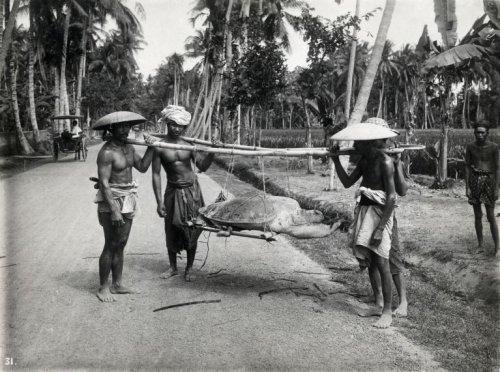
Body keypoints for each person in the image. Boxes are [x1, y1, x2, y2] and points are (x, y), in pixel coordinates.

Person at [331, 122, 398, 328]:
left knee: (383, 262)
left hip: (380, 214)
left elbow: (393, 197)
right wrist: (335, 160)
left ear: (368, 142)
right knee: (370, 259)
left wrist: (379, 228)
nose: (355, 145)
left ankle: (387, 311)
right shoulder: (364, 161)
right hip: (365, 211)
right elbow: (347, 183)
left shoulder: (385, 162)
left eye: (358, 142)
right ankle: (378, 303)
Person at [94, 112, 155, 302]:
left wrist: (152, 147)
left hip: (128, 197)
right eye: (119, 127)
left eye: (126, 127)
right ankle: (103, 287)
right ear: (111, 130)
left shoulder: (128, 148)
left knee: (121, 243)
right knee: (110, 244)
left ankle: (117, 284)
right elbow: (104, 183)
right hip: (111, 200)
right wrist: (114, 210)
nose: (124, 130)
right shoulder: (106, 152)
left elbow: (143, 167)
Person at [152, 105, 216, 281]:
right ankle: (173, 267)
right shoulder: (159, 147)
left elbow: (202, 166)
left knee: (193, 227)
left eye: (180, 125)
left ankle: (189, 269)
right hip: (173, 190)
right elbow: (156, 174)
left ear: (184, 127)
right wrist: (159, 202)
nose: (176, 128)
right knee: (171, 229)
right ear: (167, 124)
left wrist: (212, 152)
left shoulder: (189, 146)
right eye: (173, 124)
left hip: (192, 191)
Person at [465, 122, 499, 256]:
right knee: (477, 215)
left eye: (482, 132)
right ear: (474, 133)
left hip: (489, 181)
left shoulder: (494, 147)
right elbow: (467, 166)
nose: (480, 135)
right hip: (475, 180)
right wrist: (467, 187)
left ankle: (497, 248)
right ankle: (480, 245)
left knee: (491, 216)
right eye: (477, 132)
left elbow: (497, 168)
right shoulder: (470, 147)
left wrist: (497, 188)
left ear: (487, 133)